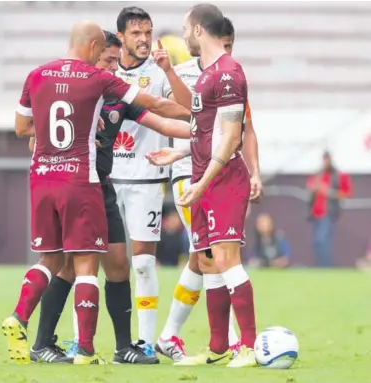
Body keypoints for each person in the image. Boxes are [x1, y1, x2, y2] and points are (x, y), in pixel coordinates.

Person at [2, 20, 189, 366]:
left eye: (116, 63)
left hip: (100, 186)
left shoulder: (112, 92)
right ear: (93, 54)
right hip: (81, 185)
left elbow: (161, 119)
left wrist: (198, 128)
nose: (112, 68)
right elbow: (31, 135)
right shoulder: (88, 86)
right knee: (70, 267)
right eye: (107, 61)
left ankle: (122, 348)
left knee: (118, 264)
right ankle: (54, 343)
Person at [147, 4, 258, 368]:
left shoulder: (228, 74)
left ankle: (249, 346)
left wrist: (203, 181)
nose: (181, 34)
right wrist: (177, 157)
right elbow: (200, 126)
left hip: (223, 180)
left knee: (227, 260)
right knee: (209, 264)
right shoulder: (209, 75)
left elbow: (228, 140)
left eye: (184, 28)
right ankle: (217, 348)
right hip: (203, 179)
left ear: (198, 30)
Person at [111, 6, 186, 357]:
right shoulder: (105, 70)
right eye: (136, 33)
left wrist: (169, 71)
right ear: (122, 37)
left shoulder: (157, 73)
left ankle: (144, 342)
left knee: (142, 262)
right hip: (106, 177)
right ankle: (85, 341)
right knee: (95, 262)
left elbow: (186, 110)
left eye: (147, 32)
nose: (143, 39)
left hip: (146, 177)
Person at [306, 151, 352, 267]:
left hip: (328, 214)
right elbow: (309, 188)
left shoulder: (337, 175)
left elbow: (345, 193)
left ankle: (326, 267)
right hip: (315, 214)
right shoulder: (317, 175)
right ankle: (320, 266)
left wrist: (328, 191)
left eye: (327, 160)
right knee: (317, 242)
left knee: (322, 240)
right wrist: (314, 187)